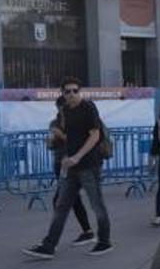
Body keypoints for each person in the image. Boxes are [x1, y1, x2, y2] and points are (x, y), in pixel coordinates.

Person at [23, 79, 113, 257]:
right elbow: (70, 138)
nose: (71, 94)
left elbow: (94, 136)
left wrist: (77, 156)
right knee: (61, 205)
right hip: (72, 167)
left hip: (89, 165)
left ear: (80, 91)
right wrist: (65, 155)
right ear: (62, 94)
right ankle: (49, 245)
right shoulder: (65, 111)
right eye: (67, 92)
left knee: (97, 205)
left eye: (74, 90)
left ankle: (104, 241)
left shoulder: (88, 108)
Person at [45, 97, 94, 246]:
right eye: (60, 108)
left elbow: (78, 140)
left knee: (61, 199)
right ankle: (87, 231)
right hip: (59, 162)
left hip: (72, 163)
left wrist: (62, 135)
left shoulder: (77, 121)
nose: (62, 111)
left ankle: (52, 238)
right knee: (73, 199)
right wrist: (50, 142)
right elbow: (52, 145)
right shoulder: (55, 123)